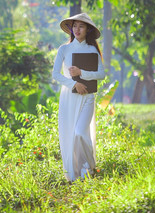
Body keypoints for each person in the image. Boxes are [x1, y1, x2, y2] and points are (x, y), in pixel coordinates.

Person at [52, 12, 106, 181]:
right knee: (70, 135)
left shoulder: (92, 50)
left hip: (87, 98)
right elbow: (56, 74)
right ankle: (76, 173)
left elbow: (101, 74)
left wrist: (82, 73)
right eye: (74, 25)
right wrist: (74, 84)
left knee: (80, 133)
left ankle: (88, 167)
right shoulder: (64, 49)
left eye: (81, 26)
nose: (77, 29)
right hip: (69, 98)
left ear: (88, 29)